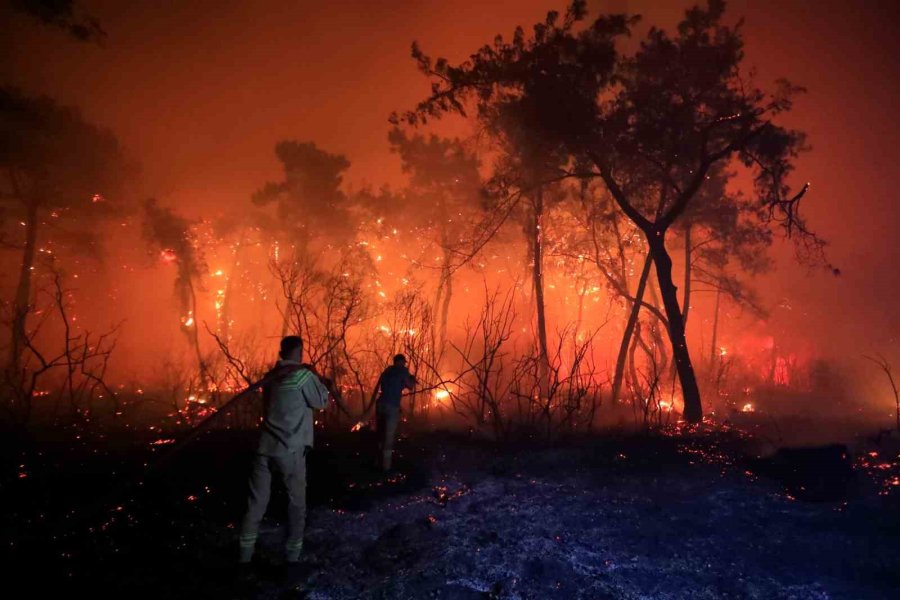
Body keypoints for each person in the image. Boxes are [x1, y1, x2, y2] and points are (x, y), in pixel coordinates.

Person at [238, 335, 330, 565]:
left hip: (264, 448)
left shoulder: (271, 377)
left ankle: (244, 557)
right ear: (298, 351)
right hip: (290, 448)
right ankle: (292, 557)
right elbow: (321, 402)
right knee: (297, 503)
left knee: (256, 503)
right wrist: (320, 382)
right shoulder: (302, 376)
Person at [371, 353, 416, 471]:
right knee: (389, 437)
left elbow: (389, 385)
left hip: (380, 405)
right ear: (401, 362)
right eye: (403, 362)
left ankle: (376, 462)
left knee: (380, 434)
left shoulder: (387, 371)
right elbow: (410, 385)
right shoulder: (402, 371)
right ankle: (386, 467)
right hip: (392, 407)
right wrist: (412, 379)